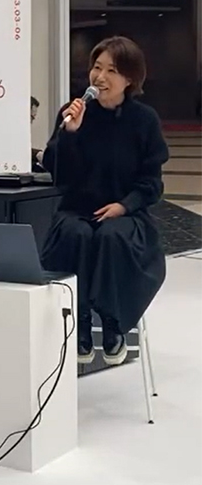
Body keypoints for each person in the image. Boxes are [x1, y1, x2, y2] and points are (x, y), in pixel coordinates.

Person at [40, 36, 169, 366]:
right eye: (97, 68)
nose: (100, 77)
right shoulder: (74, 114)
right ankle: (80, 318)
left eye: (112, 70)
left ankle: (114, 322)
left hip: (126, 213)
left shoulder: (144, 120)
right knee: (76, 235)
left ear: (130, 79)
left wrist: (124, 205)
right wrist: (70, 133)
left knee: (113, 238)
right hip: (77, 210)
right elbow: (58, 173)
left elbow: (151, 183)